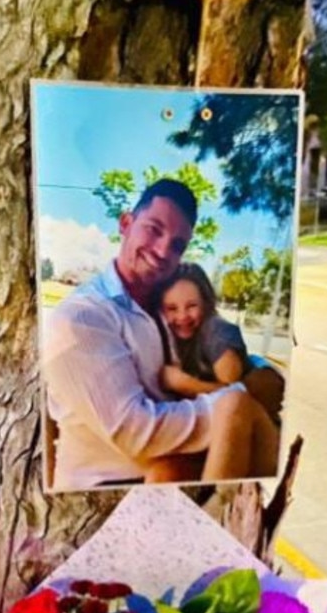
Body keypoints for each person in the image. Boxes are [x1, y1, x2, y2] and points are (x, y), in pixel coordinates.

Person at [43, 179, 278, 491]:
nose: (163, 250)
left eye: (178, 244)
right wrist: (231, 402)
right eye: (154, 229)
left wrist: (258, 371)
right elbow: (136, 433)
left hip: (176, 471)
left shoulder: (165, 307)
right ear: (126, 223)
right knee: (238, 409)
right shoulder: (82, 318)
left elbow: (216, 343)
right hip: (105, 492)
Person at [151, 262, 285, 427]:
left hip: (253, 427)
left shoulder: (215, 329)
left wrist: (186, 385)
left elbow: (234, 390)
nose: (182, 316)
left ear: (206, 303)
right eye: (172, 308)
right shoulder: (167, 337)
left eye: (192, 306)